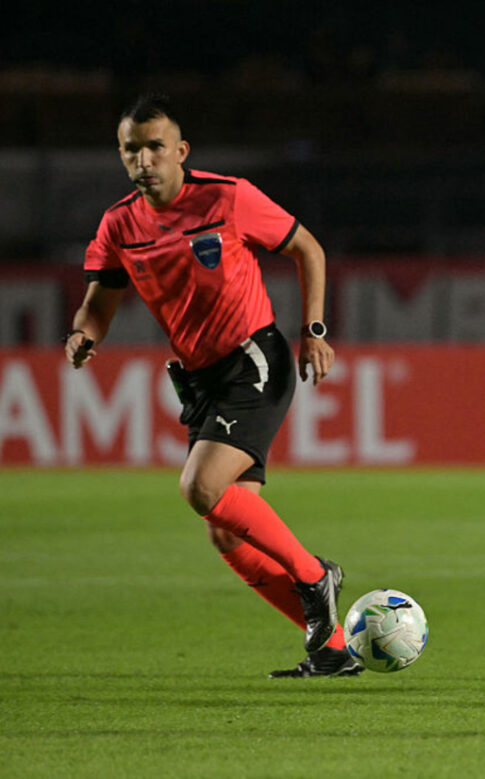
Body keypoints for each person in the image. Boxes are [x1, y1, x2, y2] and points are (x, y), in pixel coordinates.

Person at [64, 93, 354, 679]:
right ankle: (332, 648)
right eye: (131, 149)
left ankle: (315, 576)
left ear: (181, 151)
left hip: (254, 360)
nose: (144, 159)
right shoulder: (119, 224)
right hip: (199, 380)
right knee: (226, 534)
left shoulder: (227, 197)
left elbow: (308, 248)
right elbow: (100, 301)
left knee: (200, 487)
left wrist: (314, 330)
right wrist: (82, 334)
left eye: (155, 147)